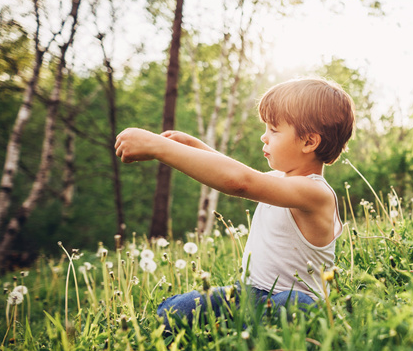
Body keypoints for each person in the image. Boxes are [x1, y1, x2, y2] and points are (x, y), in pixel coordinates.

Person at [114, 77, 355, 332]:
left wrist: (157, 147)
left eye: (274, 130)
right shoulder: (278, 181)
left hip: (295, 300)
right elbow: (234, 170)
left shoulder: (315, 193)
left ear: (309, 142)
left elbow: (241, 181)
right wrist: (195, 147)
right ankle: (251, 328)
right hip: (248, 295)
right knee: (173, 312)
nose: (264, 137)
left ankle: (264, 338)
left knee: (292, 306)